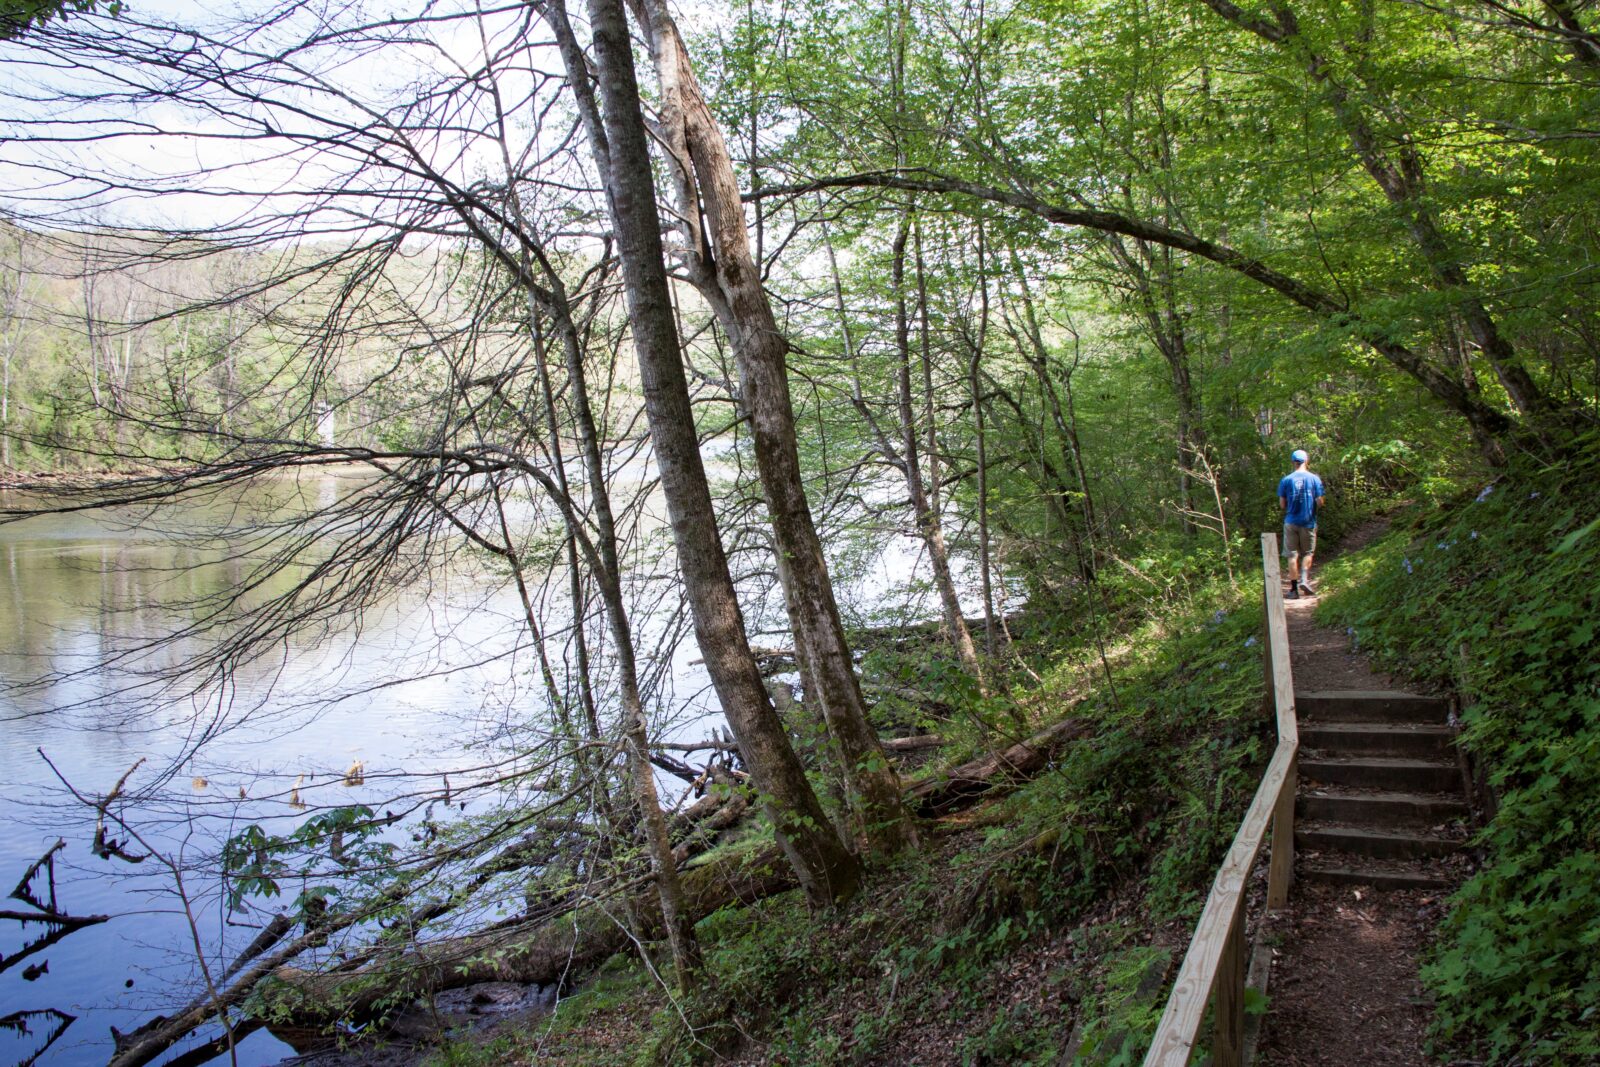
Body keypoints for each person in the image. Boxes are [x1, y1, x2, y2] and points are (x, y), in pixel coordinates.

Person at [1278, 449, 1325, 599]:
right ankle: (1304, 580)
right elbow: (1320, 502)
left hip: (1291, 521)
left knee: (1292, 556)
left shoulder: (1286, 480)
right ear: (1306, 461)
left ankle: (1293, 590)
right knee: (1308, 553)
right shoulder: (1314, 479)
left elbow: (1282, 505)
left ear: (1293, 462)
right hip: (1308, 521)